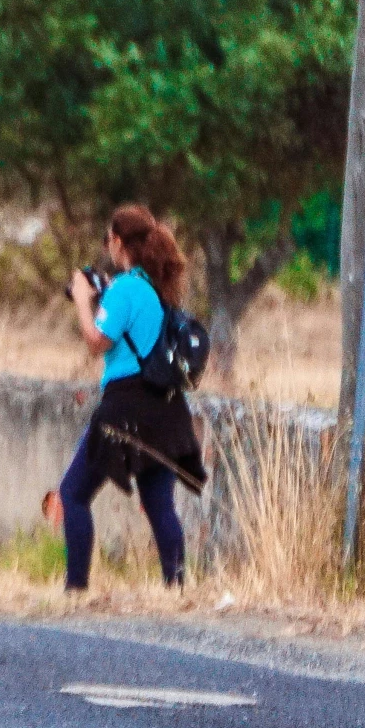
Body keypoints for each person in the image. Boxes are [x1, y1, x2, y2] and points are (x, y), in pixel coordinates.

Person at [59, 204, 206, 592]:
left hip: (126, 406)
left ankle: (75, 589)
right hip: (165, 407)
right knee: (160, 507)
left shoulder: (125, 288)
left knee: (73, 493)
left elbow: (96, 342)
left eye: (108, 238)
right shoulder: (153, 288)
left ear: (119, 242)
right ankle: (176, 589)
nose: (106, 245)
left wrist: (81, 298)